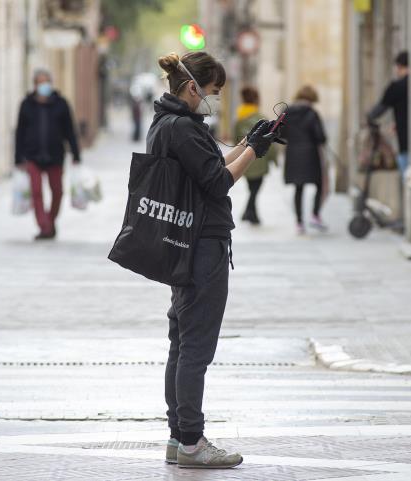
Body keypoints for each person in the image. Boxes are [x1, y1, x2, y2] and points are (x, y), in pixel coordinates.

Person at [150, 51, 274, 468]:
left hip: (184, 242)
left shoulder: (171, 124)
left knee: (181, 344)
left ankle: (177, 437)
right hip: (202, 245)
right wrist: (254, 153)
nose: (216, 100)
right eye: (214, 92)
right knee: (196, 349)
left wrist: (248, 142)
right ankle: (191, 442)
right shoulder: (183, 129)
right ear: (192, 88)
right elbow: (218, 182)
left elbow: (209, 167)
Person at [14, 68, 81, 240]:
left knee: (57, 191)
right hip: (33, 156)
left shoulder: (61, 103)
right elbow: (20, 132)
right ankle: (44, 226)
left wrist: (76, 154)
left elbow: (70, 130)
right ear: (35, 85)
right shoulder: (26, 104)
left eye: (46, 82)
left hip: (55, 155)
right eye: (40, 82)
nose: (43, 85)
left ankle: (50, 221)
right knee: (36, 192)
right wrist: (18, 157)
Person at [283, 85, 328, 234]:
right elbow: (321, 136)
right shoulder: (312, 113)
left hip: (293, 154)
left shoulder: (287, 112)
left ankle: (299, 222)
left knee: (298, 188)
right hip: (310, 154)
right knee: (319, 184)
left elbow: (279, 132)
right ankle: (315, 214)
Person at [234, 86, 276, 225]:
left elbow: (236, 141)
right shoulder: (261, 118)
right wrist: (273, 159)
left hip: (244, 160)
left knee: (252, 188)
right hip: (259, 160)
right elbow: (270, 141)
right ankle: (250, 213)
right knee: (255, 189)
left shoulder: (239, 119)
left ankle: (250, 213)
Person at [368, 51, 409, 177]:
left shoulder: (396, 87)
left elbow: (378, 110)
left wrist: (370, 118)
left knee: (406, 176)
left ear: (401, 67)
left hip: (404, 142)